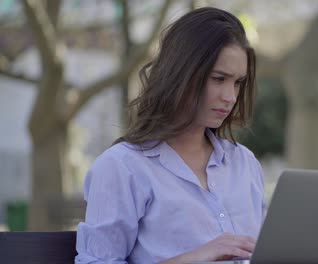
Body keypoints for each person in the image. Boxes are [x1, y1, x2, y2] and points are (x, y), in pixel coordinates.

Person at [75, 6, 266, 264]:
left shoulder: (245, 164)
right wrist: (196, 257)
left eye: (237, 83)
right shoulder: (123, 168)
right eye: (218, 79)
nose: (230, 97)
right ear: (181, 74)